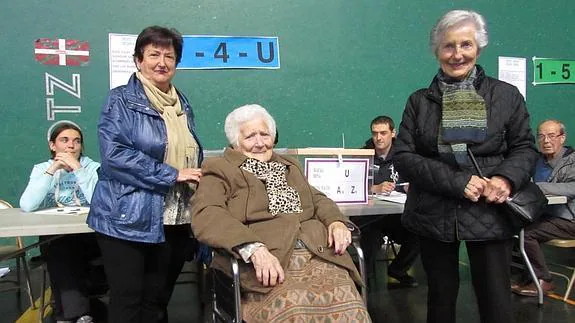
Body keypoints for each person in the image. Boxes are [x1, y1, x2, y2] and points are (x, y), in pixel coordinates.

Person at [393, 10, 538, 323]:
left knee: (496, 300)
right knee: (440, 299)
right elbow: (403, 157)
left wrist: (505, 178)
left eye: (466, 45)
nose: (457, 54)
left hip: (490, 209)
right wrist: (456, 181)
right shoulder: (419, 101)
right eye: (448, 46)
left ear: (479, 47)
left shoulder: (506, 95)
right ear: (437, 51)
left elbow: (525, 147)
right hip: (434, 211)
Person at [191, 104, 370, 322]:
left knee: (350, 308)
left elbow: (317, 199)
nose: (259, 143)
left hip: (318, 252)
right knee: (293, 308)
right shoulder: (220, 169)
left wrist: (336, 222)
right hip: (266, 258)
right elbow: (207, 213)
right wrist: (253, 249)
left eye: (264, 134)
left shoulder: (289, 165)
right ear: (236, 142)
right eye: (250, 137)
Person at [87, 26, 203, 323]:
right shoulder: (121, 100)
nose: (162, 62)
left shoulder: (181, 103)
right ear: (138, 60)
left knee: (157, 302)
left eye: (169, 56)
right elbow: (114, 156)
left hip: (175, 218)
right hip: (128, 216)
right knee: (128, 303)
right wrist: (171, 174)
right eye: (153, 54)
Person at [20, 120, 101, 323]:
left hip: (91, 237)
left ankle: (67, 315)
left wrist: (78, 169)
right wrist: (52, 170)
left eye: (76, 141)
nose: (71, 146)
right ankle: (80, 315)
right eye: (64, 140)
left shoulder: (93, 168)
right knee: (61, 246)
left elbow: (98, 202)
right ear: (52, 145)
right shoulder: (42, 169)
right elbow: (28, 204)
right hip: (57, 237)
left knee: (64, 249)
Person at [352, 115, 420, 288]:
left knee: (419, 232)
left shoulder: (405, 155)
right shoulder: (362, 154)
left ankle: (397, 270)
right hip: (370, 217)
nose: (378, 138)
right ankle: (364, 282)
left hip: (396, 216)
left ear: (393, 133)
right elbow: (350, 186)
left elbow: (415, 179)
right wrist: (373, 189)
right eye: (375, 133)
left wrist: (411, 187)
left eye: (383, 133)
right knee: (369, 239)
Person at [512, 120, 575, 296]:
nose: (546, 140)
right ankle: (528, 278)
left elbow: (573, 188)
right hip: (548, 217)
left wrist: (538, 187)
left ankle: (544, 281)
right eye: (541, 136)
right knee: (512, 227)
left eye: (552, 135)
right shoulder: (536, 161)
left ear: (562, 138)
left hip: (570, 220)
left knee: (528, 233)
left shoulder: (572, 160)